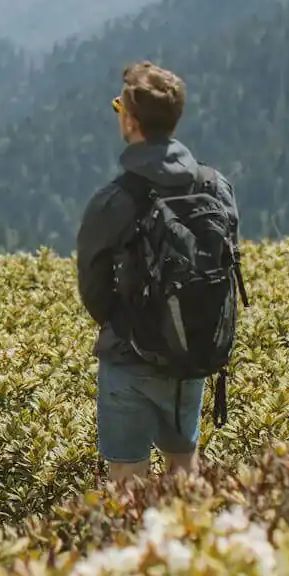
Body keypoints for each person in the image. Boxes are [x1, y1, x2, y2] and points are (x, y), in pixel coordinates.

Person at [74, 60, 237, 486]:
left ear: (129, 121)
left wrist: (130, 323)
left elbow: (92, 287)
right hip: (192, 354)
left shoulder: (114, 199)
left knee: (126, 482)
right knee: (184, 472)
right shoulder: (214, 185)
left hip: (129, 358)